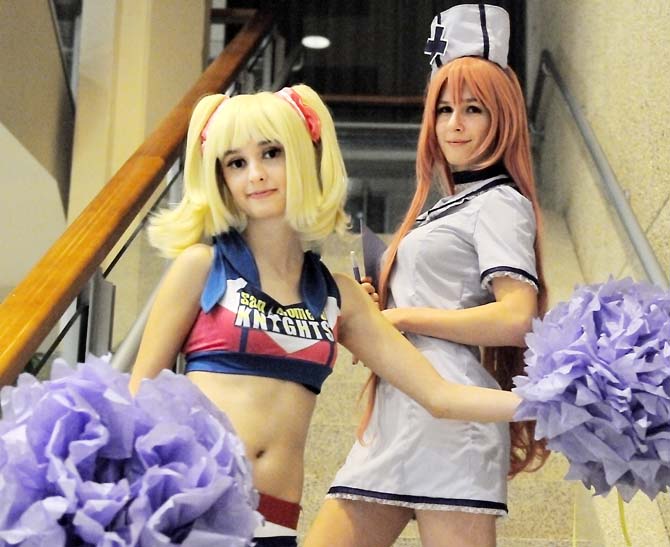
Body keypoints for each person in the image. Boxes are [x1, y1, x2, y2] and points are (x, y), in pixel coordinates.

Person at [128, 83, 525, 547]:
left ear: (302, 157)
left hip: (273, 520)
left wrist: (555, 404)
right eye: (236, 162)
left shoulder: (338, 295)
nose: (255, 174)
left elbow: (439, 396)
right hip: (189, 502)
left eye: (271, 153)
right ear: (221, 178)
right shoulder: (202, 267)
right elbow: (138, 397)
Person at [304, 5, 549, 547]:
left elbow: (516, 317)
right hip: (404, 399)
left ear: (503, 116)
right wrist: (378, 309)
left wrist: (403, 315)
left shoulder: (501, 203)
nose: (454, 124)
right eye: (443, 109)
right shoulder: (451, 205)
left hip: (449, 412)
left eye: (473, 109)